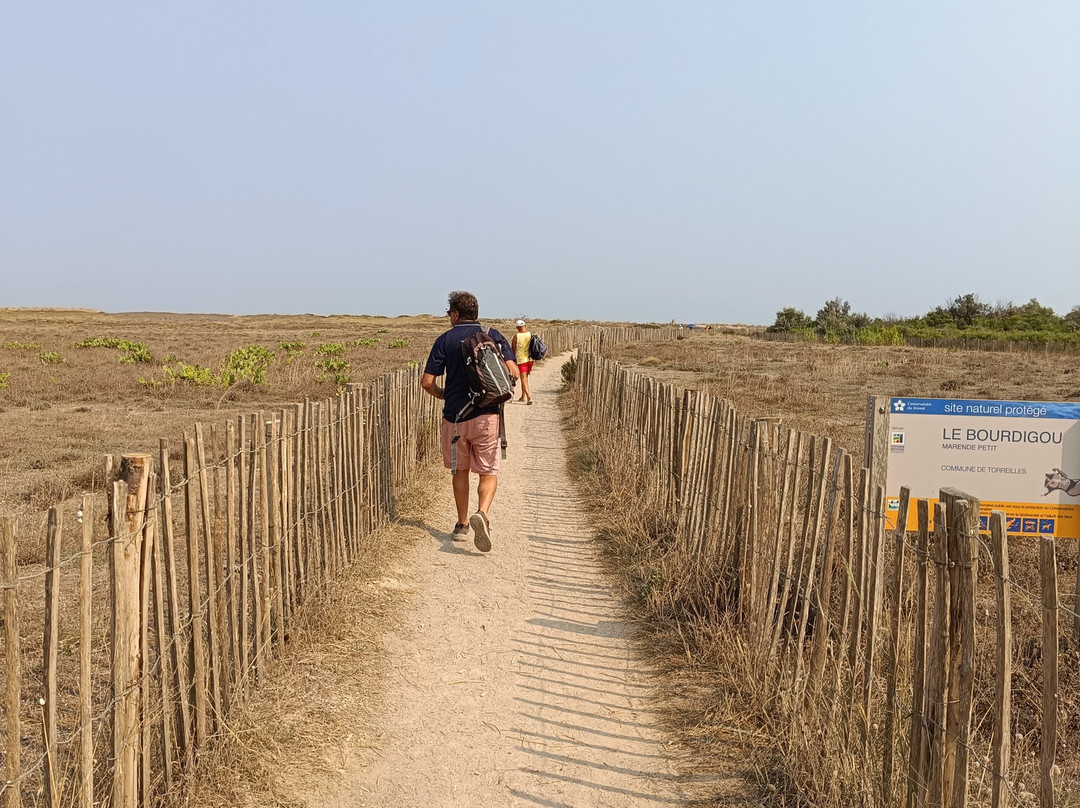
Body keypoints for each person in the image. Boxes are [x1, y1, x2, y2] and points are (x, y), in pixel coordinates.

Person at [421, 291, 520, 552]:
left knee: (460, 470)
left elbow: (427, 382)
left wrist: (443, 394)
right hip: (487, 416)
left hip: (454, 418)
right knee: (488, 470)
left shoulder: (444, 340)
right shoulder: (494, 335)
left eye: (448, 314)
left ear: (455, 313)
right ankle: (483, 513)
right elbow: (513, 373)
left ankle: (462, 524)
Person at [511, 319, 534, 405]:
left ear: (517, 328)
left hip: (521, 360)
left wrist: (513, 360)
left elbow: (513, 349)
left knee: (523, 379)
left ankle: (529, 397)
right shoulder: (530, 334)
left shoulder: (516, 336)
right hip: (530, 360)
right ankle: (523, 396)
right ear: (524, 326)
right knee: (525, 378)